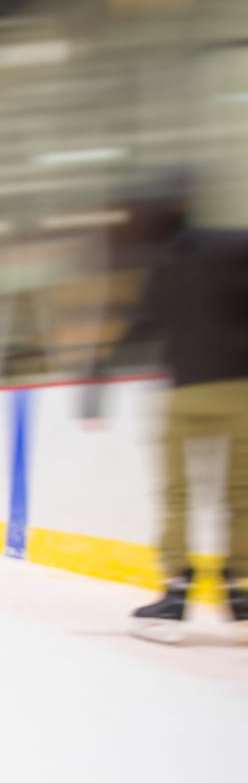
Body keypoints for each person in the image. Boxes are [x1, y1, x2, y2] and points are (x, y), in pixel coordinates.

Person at [121, 210, 248, 642]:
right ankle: (243, 589)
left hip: (186, 389)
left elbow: (143, 322)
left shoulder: (167, 261)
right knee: (242, 494)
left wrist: (99, 374)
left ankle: (176, 591)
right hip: (240, 389)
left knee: (177, 495)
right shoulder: (236, 248)